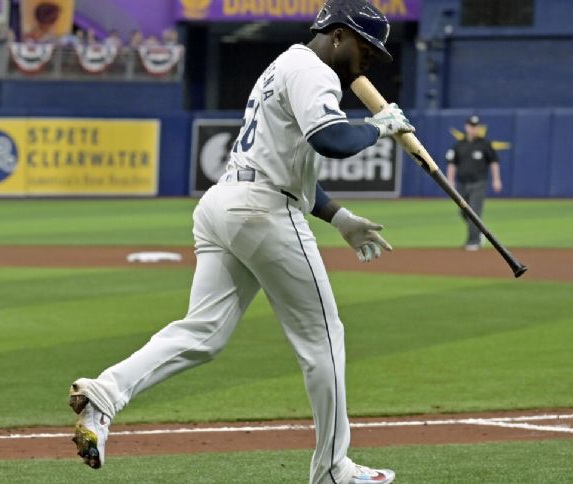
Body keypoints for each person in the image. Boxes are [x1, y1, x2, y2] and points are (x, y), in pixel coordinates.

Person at [67, 1, 412, 483]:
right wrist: (378, 127)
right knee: (324, 338)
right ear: (337, 35)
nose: (370, 58)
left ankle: (103, 395)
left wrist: (340, 218)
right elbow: (331, 140)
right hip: (262, 211)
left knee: (202, 333)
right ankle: (334, 469)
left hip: (225, 203)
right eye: (365, 46)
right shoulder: (315, 71)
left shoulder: (283, 66)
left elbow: (287, 164)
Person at [445, 115, 502, 251]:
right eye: (471, 126)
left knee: (473, 213)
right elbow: (452, 164)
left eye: (476, 126)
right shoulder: (459, 145)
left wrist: (496, 179)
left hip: (478, 183)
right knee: (463, 212)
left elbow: (494, 162)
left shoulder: (485, 144)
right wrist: (450, 181)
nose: (473, 129)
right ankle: (479, 233)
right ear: (466, 127)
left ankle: (473, 242)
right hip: (462, 184)